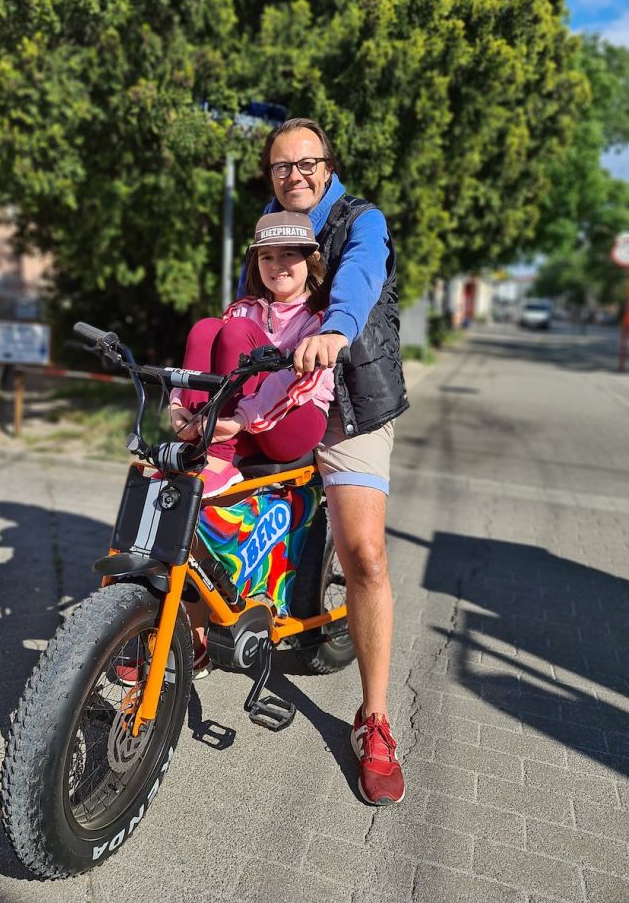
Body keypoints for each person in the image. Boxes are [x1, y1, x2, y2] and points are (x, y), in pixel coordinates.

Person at [240, 117, 409, 807]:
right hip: (282, 393)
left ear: (328, 164)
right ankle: (183, 630)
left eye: (306, 162)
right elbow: (253, 306)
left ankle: (373, 719)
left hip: (351, 400)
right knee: (199, 488)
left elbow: (363, 274)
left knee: (364, 552)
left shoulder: (361, 220)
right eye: (281, 166)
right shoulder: (273, 223)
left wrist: (336, 329)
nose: (295, 175)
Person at [169, 211, 335, 500]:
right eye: (266, 257)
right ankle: (194, 439)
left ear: (311, 258)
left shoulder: (319, 318)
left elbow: (299, 384)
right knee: (207, 328)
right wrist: (176, 403)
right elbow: (209, 362)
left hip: (294, 424)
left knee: (237, 331)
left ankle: (218, 459)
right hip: (239, 428)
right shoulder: (243, 308)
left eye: (288, 254)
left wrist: (242, 419)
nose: (276, 265)